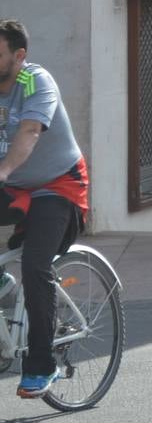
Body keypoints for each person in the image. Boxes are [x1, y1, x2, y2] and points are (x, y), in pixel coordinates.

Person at [0, 20, 91, 398]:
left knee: (35, 265)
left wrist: (3, 169)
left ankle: (41, 364)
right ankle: (4, 289)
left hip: (59, 186)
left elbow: (30, 131)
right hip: (16, 186)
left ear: (19, 57)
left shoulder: (34, 82)